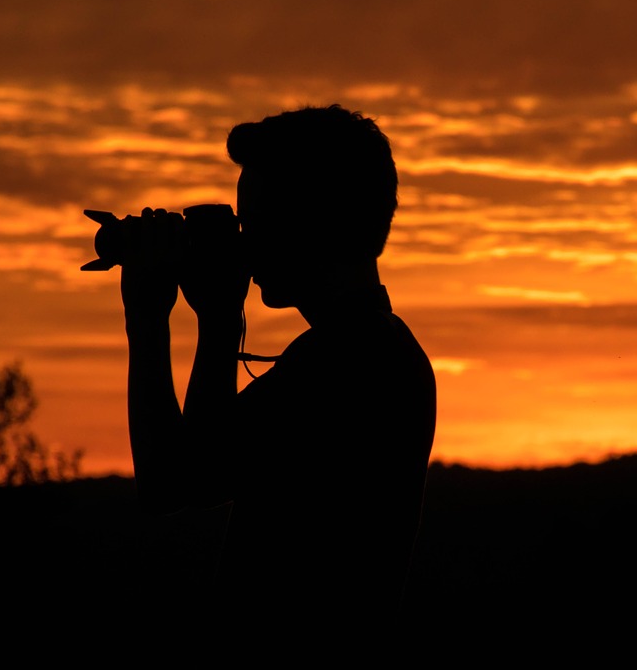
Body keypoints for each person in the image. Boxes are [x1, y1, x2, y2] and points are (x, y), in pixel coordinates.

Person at [120, 105, 436, 633]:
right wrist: (215, 318)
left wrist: (154, 319)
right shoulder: (368, 350)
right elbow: (199, 468)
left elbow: (175, 481)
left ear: (315, 220)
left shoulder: (352, 363)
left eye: (258, 220)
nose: (246, 242)